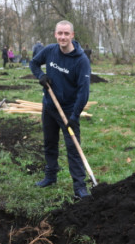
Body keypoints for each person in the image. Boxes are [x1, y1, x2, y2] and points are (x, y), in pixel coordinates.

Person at [29, 20, 91, 199]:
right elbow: (33, 64)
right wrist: (41, 75)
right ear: (55, 34)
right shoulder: (49, 51)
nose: (63, 37)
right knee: (50, 142)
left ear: (72, 35)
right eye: (60, 33)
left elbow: (83, 92)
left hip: (69, 110)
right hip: (49, 106)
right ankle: (50, 176)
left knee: (73, 147)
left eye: (66, 33)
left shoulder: (81, 61)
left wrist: (74, 116)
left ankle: (80, 186)